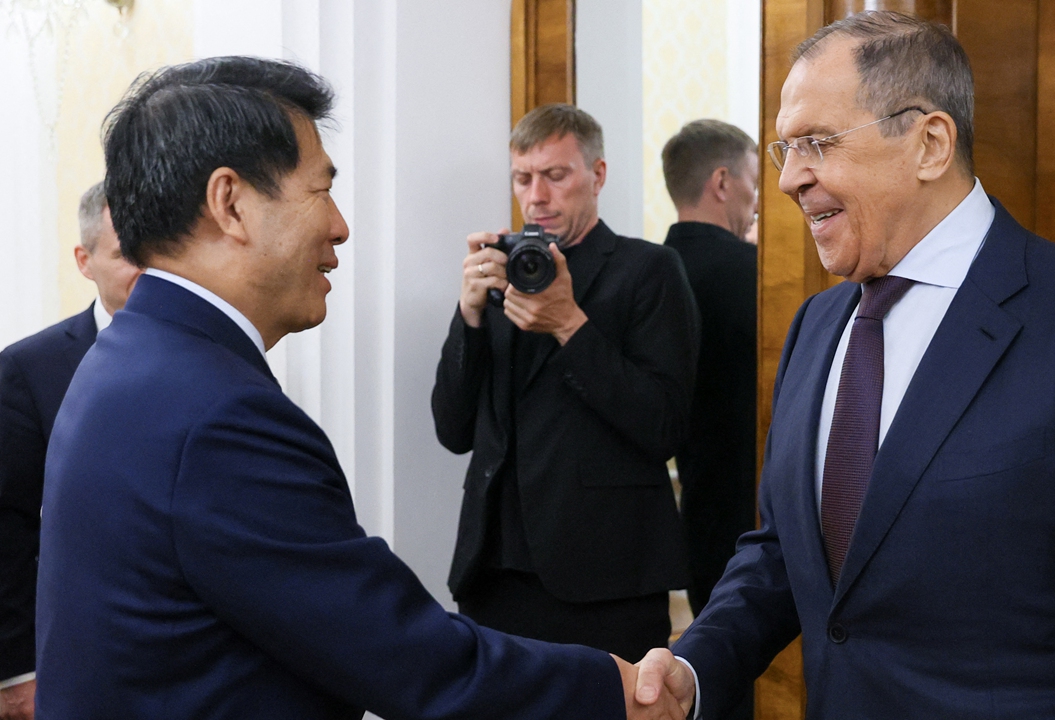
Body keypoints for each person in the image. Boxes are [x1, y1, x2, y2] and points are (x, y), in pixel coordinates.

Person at [36, 57, 684, 720]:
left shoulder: (127, 354)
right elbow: (397, 653)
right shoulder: (219, 416)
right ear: (230, 204)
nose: (340, 226)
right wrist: (613, 691)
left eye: (555, 175)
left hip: (604, 577)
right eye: (321, 189)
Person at [635, 11, 1055, 719]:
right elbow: (784, 551)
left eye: (816, 143)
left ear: (930, 142)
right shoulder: (815, 325)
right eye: (786, 150)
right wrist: (696, 667)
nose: (789, 180)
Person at [432, 103, 699, 663]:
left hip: (606, 577)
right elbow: (453, 430)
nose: (537, 196)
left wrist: (569, 326)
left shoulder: (648, 270)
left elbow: (665, 426)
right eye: (523, 178)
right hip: (493, 570)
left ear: (597, 175)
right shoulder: (500, 270)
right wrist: (469, 316)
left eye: (556, 175)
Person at [0, 183, 141, 720]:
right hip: (73, 664)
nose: (148, 267)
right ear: (85, 261)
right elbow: (8, 527)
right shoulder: (29, 368)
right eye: (127, 252)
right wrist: (16, 671)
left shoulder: (216, 353)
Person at [661, 119, 759, 620]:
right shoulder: (761, 278)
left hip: (693, 520)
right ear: (722, 183)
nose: (758, 200)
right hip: (761, 512)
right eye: (754, 181)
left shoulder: (647, 275)